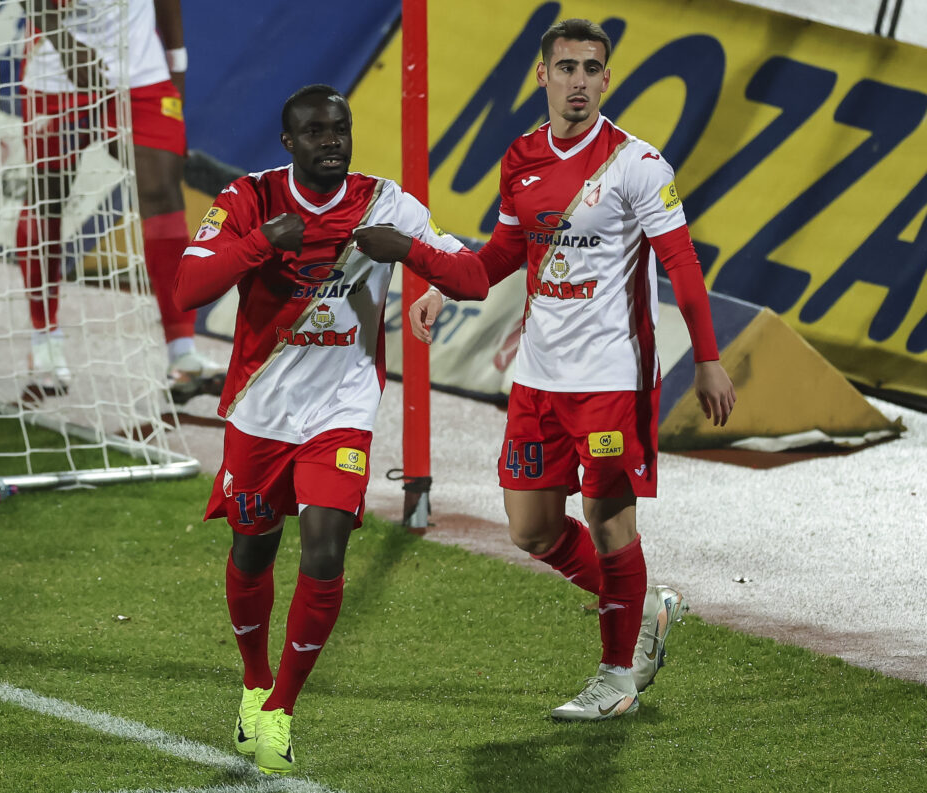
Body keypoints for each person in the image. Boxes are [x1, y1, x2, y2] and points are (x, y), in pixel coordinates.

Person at [402, 18, 737, 720]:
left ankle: (618, 679)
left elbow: (682, 265)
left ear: (607, 80)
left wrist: (708, 359)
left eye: (591, 68)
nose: (578, 81)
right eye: (566, 67)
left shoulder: (638, 165)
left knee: (610, 520)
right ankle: (643, 606)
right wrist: (441, 282)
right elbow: (500, 254)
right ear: (542, 75)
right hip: (538, 376)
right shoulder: (520, 157)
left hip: (612, 378)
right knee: (530, 528)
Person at [172, 84, 488, 774]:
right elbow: (187, 289)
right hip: (259, 410)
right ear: (288, 143)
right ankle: (254, 682)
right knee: (253, 548)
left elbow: (473, 277)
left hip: (341, 409)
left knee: (325, 548)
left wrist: (408, 251)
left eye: (339, 129)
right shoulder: (250, 200)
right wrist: (259, 245)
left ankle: (281, 707)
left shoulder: (384, 204)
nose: (331, 142)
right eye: (314, 132)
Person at [19, 0, 223, 402]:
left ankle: (183, 355)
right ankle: (45, 340)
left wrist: (176, 67)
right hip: (57, 75)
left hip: (141, 73)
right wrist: (64, 43)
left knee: (162, 189)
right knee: (49, 198)